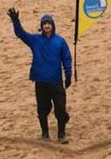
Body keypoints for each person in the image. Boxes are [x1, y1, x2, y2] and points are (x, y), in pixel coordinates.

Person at [8, 9, 72, 143]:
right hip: (41, 81)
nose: (47, 26)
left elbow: (66, 58)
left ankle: (61, 134)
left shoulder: (60, 41)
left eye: (49, 24)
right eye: (44, 24)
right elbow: (21, 34)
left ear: (53, 25)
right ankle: (45, 133)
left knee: (60, 108)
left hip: (56, 82)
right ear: (42, 26)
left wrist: (68, 75)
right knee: (42, 110)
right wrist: (16, 21)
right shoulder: (35, 40)